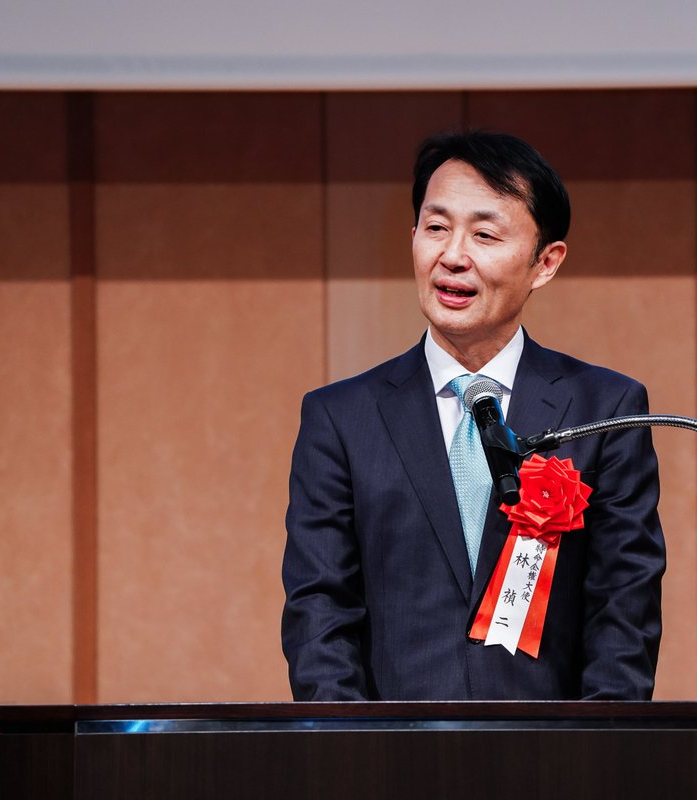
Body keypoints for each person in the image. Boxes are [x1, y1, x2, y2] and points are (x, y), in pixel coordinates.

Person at [281, 130, 665, 701]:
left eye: (485, 234)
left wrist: (591, 761)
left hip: (552, 765)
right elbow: (320, 609)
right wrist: (353, 760)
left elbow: (623, 610)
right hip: (387, 765)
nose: (453, 255)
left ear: (545, 262)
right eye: (436, 227)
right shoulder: (340, 418)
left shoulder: (603, 409)